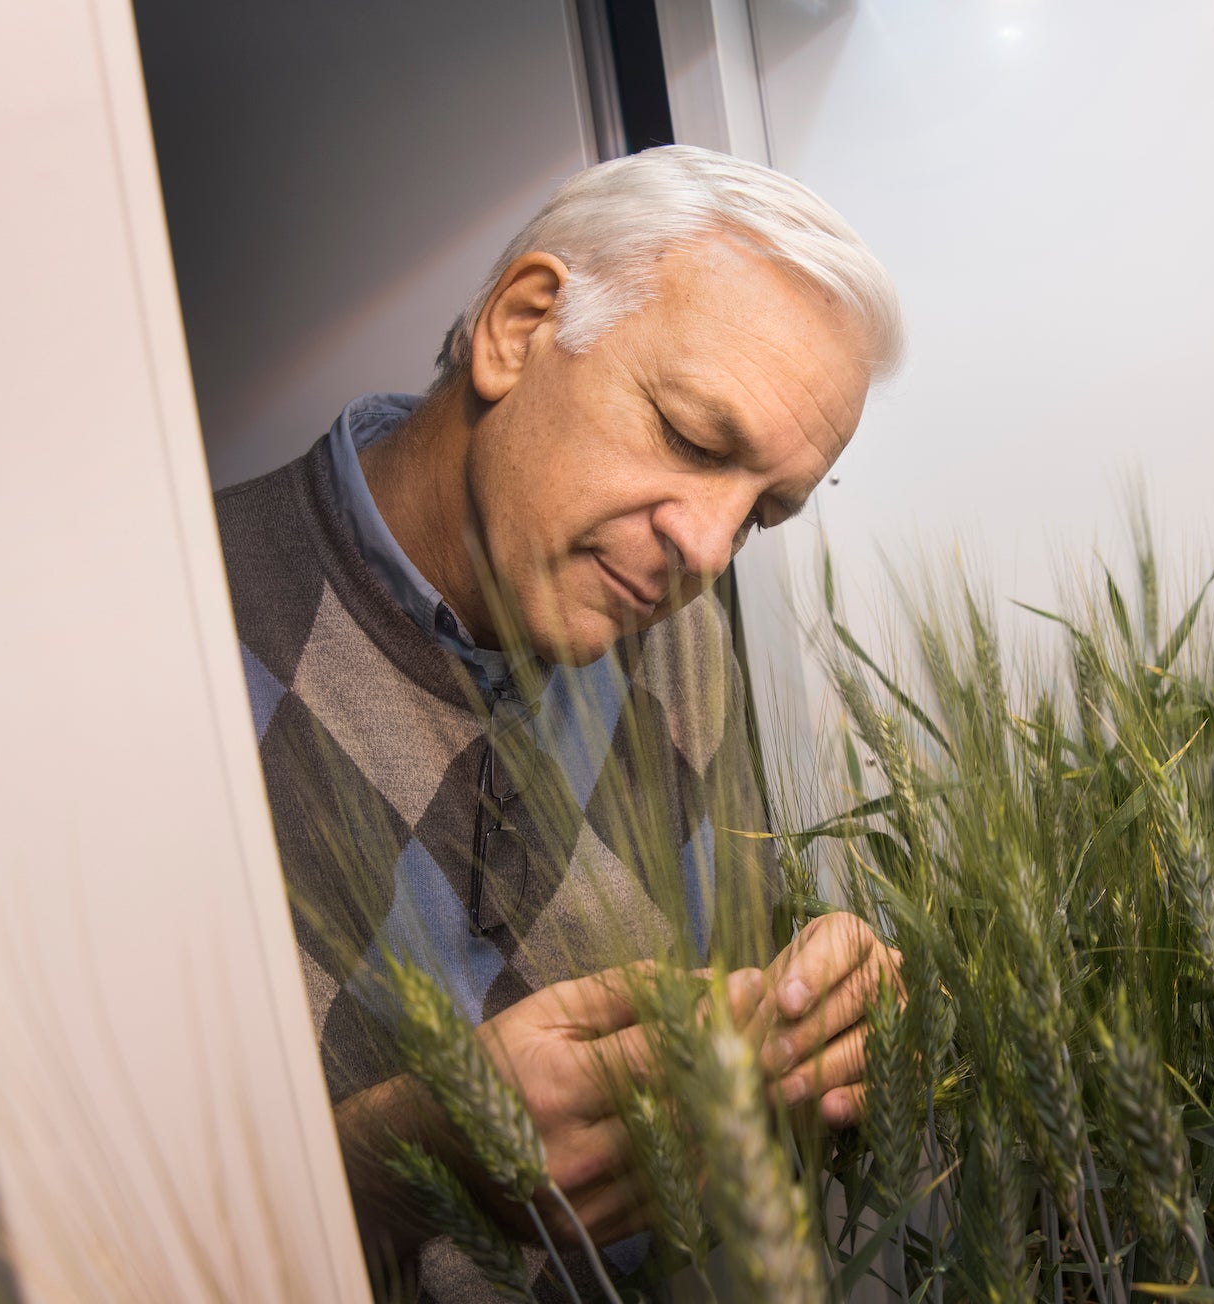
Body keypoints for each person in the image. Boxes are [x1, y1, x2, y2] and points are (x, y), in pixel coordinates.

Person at [213, 146, 904, 1298]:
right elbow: (53, 1218)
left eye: (764, 511)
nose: (708, 548)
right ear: (520, 325)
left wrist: (807, 1007)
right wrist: (402, 1155)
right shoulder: (163, 642)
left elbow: (722, 982)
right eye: (691, 438)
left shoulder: (675, 643)